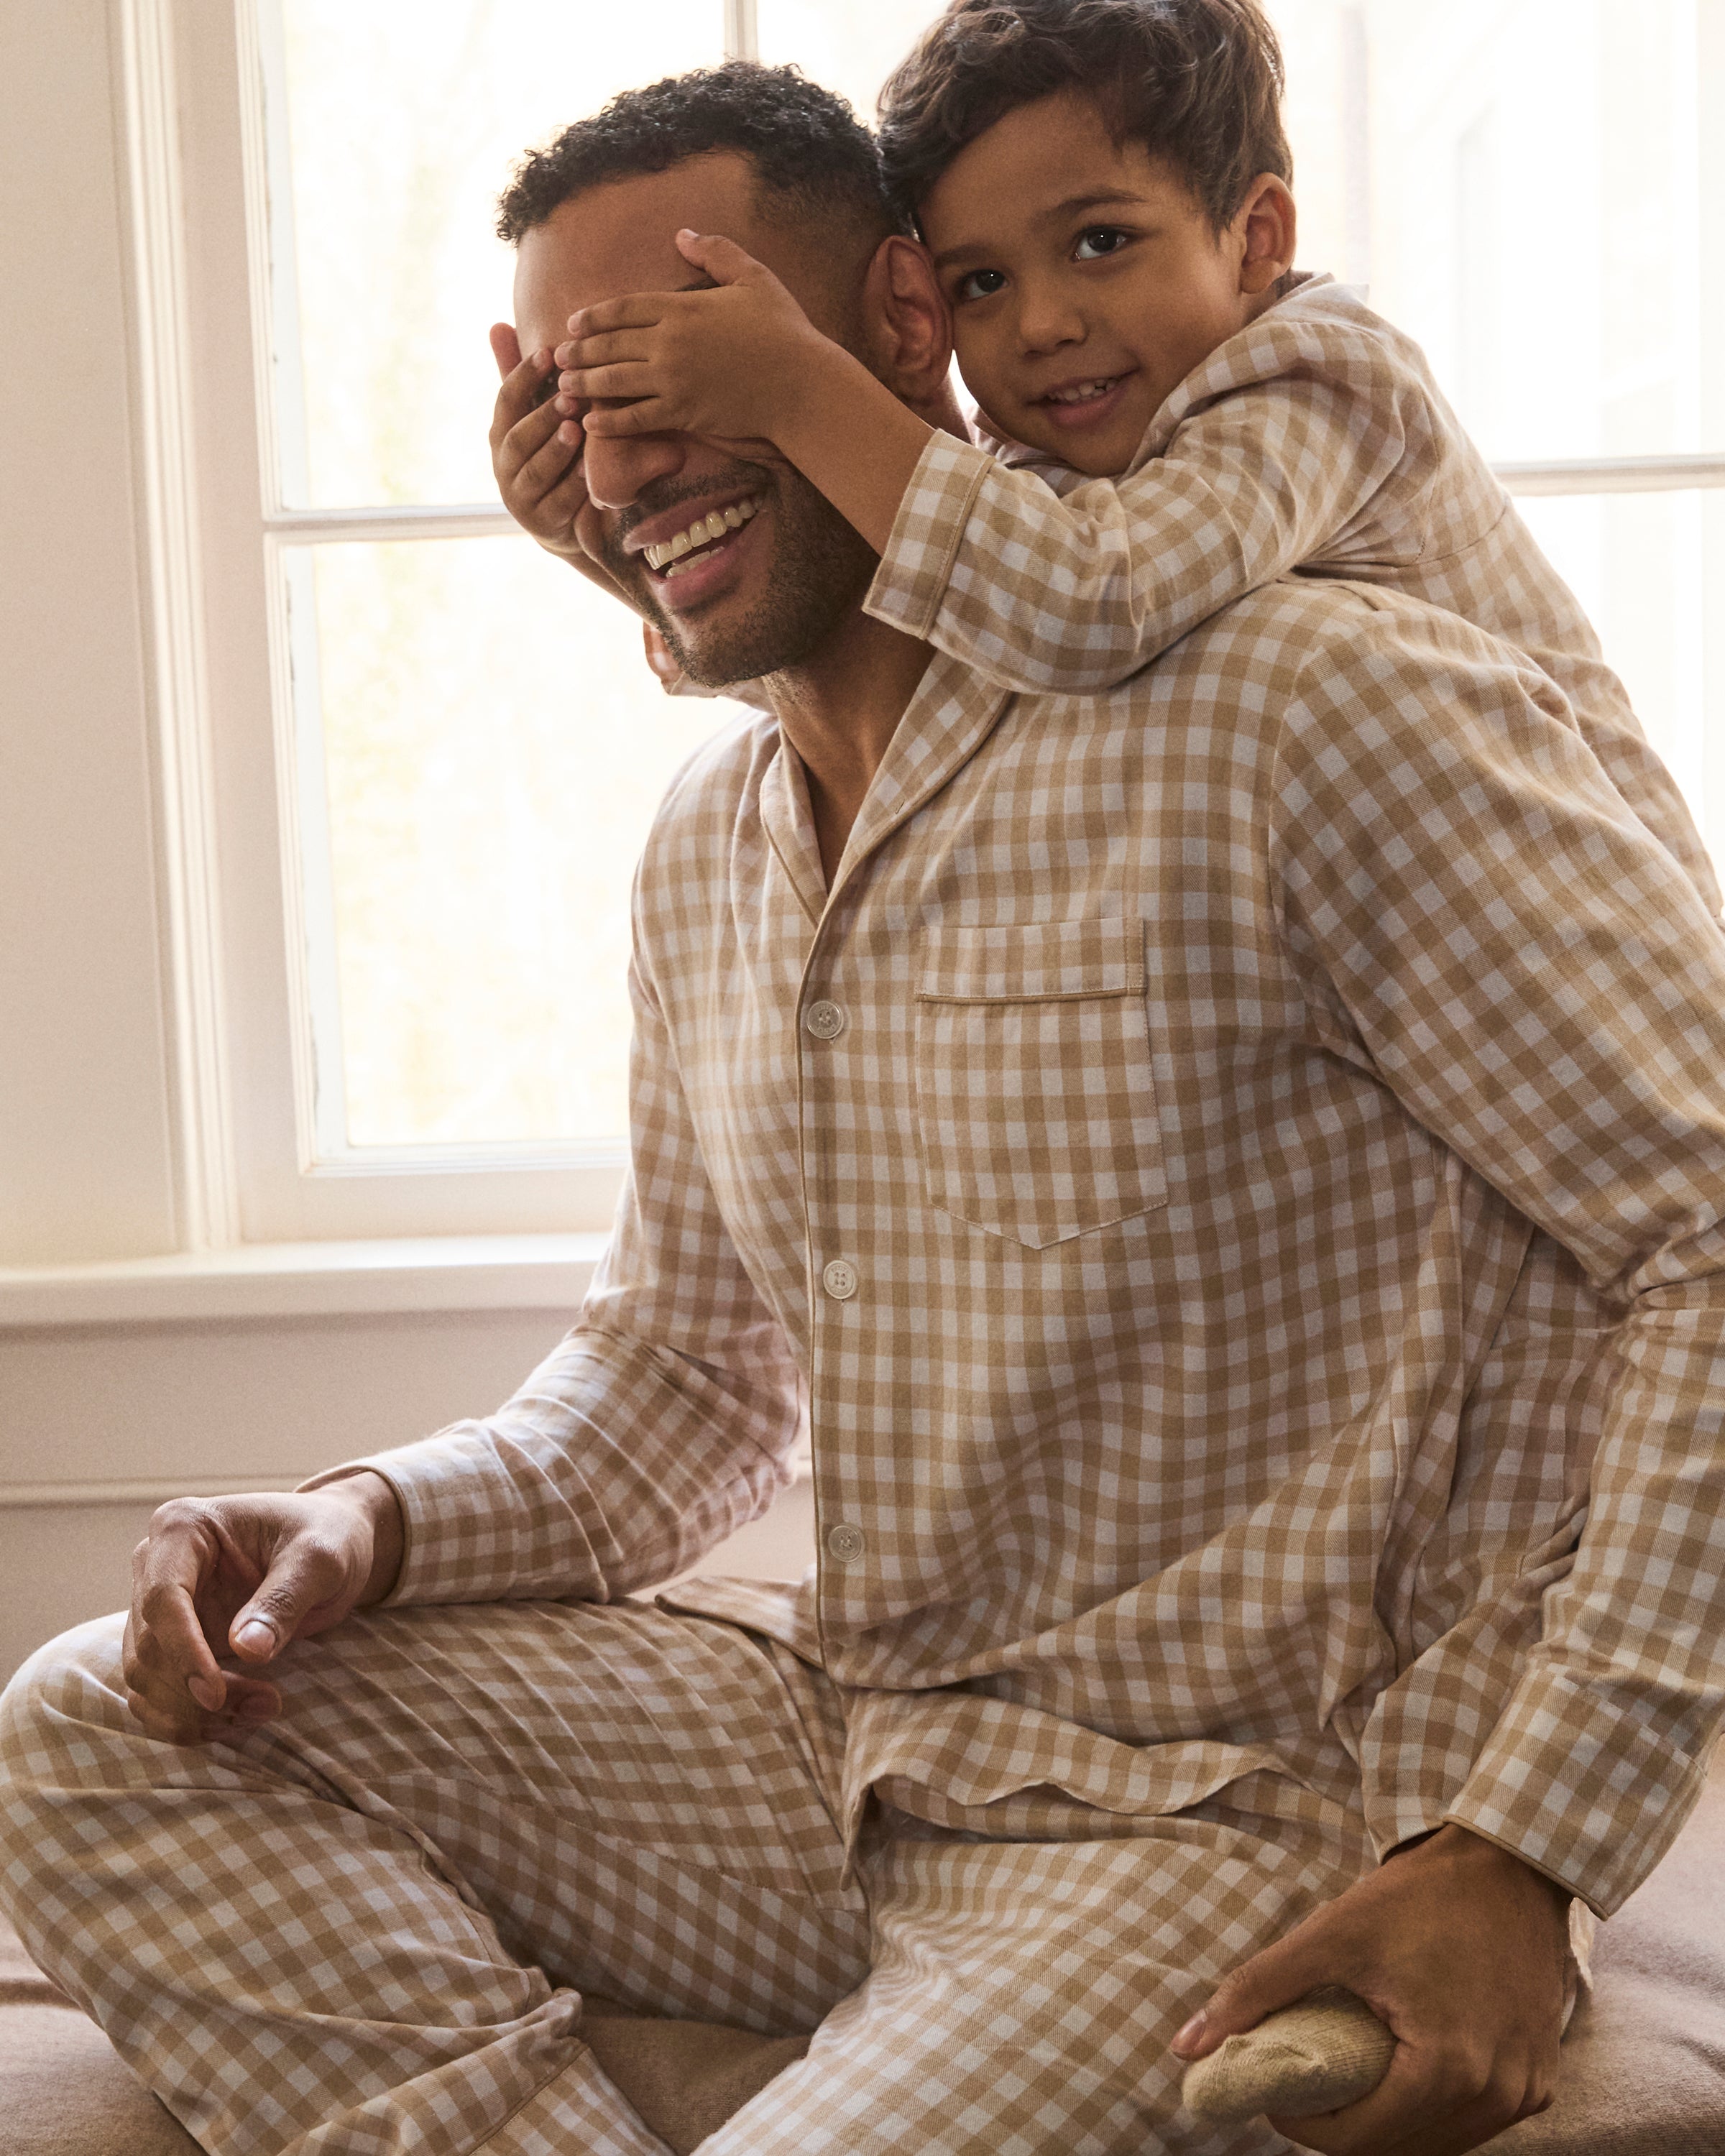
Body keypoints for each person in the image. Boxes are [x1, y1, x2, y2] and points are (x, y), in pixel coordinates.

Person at [6, 57, 1725, 2156]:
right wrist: (368, 1520)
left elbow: (1706, 1234)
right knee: (89, 1715)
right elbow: (677, 1385)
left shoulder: (1306, 707)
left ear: (902, 330)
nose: (619, 450)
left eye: (681, 356)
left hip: (1214, 1815)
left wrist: (1523, 1839)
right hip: (839, 1749)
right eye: (566, 395)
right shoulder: (706, 847)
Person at [549, 0, 1719, 914]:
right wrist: (599, 547)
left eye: (1101, 241)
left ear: (1256, 239)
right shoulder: (1058, 449)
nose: (1043, 322)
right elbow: (940, 639)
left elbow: (1087, 606)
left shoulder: (1320, 385)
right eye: (983, 283)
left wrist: (799, 385)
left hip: (1604, 918)